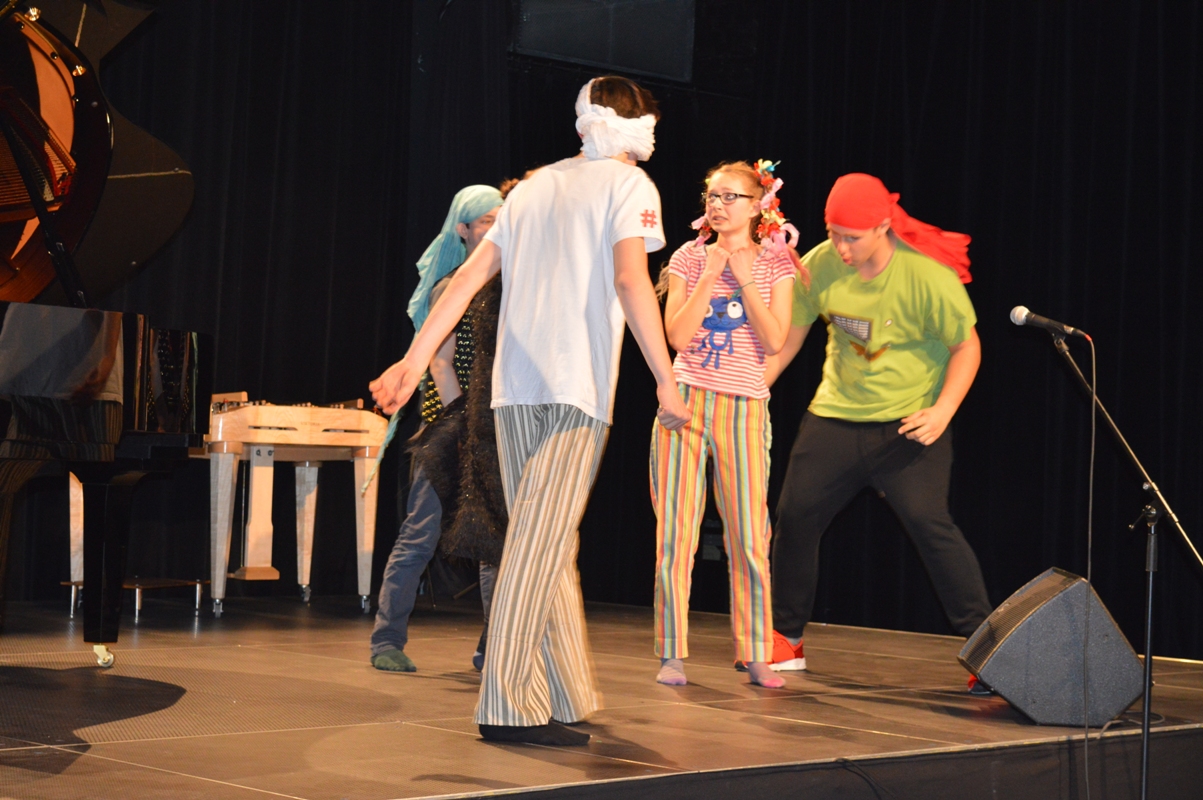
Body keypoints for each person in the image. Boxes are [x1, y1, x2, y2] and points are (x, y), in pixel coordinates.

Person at [370, 75, 689, 746]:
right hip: (574, 389)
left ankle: (567, 689)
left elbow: (465, 280)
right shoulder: (629, 186)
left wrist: (412, 359)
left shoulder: (534, 187)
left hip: (512, 390)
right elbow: (631, 279)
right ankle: (508, 704)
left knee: (548, 539)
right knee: (535, 542)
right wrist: (666, 377)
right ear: (632, 127)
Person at [765, 173, 992, 674]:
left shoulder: (927, 277)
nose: (841, 248)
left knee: (930, 525)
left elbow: (967, 347)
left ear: (883, 227)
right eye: (833, 234)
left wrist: (942, 411)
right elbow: (790, 337)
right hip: (836, 416)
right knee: (795, 516)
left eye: (852, 237)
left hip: (908, 422)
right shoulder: (820, 264)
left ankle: (989, 656)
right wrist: (754, 386)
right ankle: (786, 637)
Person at [650, 160, 800, 689]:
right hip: (686, 404)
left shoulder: (776, 264)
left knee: (749, 536)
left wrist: (744, 277)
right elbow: (676, 336)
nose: (717, 205)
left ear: (758, 205)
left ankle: (756, 652)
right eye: (712, 196)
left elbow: (776, 339)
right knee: (675, 534)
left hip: (744, 407)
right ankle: (672, 653)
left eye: (730, 196)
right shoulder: (689, 257)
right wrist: (714, 271)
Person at [370, 184, 502, 674]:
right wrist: (462, 426)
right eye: (487, 221)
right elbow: (441, 364)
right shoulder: (452, 288)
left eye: (502, 219)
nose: (497, 228)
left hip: (492, 425)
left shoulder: (510, 285)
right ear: (463, 229)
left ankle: (494, 648)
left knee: (494, 542)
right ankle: (386, 640)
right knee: (420, 535)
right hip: (449, 425)